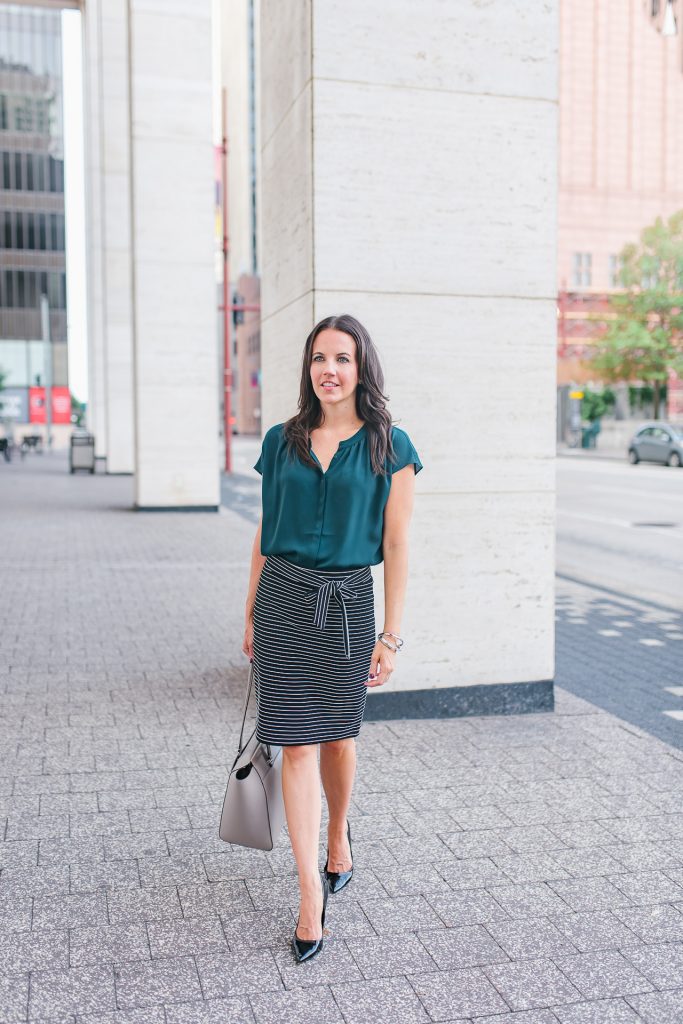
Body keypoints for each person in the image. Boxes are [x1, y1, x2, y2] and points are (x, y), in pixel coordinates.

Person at [242, 313, 422, 963]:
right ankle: (307, 899)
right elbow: (265, 531)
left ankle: (338, 836)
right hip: (283, 602)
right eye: (319, 358)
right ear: (307, 367)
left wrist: (391, 637)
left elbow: (398, 544)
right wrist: (249, 615)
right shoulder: (280, 441)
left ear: (360, 367)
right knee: (295, 748)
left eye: (342, 358)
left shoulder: (389, 445)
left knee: (339, 741)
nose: (329, 369)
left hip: (347, 605)